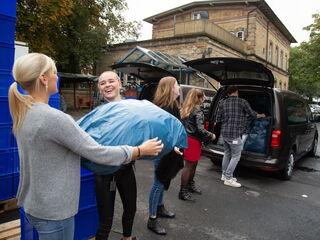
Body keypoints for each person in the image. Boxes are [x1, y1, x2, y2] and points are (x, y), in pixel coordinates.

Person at [8, 53, 163, 240]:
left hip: (34, 204)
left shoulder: (24, 113)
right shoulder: (54, 118)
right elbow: (97, 152)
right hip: (53, 211)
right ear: (43, 78)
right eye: (54, 72)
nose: (57, 77)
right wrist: (139, 150)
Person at [94, 71, 138, 240]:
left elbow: (147, 129)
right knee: (105, 220)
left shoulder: (133, 108)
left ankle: (126, 238)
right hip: (104, 172)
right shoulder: (97, 112)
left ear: (119, 83)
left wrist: (169, 146)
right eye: (103, 83)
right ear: (99, 88)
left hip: (126, 168)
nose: (107, 85)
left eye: (111, 81)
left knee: (131, 209)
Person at [147, 76, 182, 235]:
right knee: (158, 183)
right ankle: (152, 219)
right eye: (176, 84)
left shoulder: (173, 105)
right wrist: (172, 146)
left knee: (163, 180)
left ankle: (160, 208)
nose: (179, 87)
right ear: (170, 87)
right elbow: (160, 133)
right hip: (163, 151)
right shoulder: (164, 107)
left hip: (169, 150)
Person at [215, 86, 265, 188]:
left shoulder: (222, 103)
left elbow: (218, 118)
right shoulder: (242, 102)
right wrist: (261, 115)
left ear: (228, 94)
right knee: (236, 155)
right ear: (236, 92)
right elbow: (252, 114)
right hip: (234, 134)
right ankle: (228, 178)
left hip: (224, 133)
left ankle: (224, 175)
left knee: (227, 153)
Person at [179, 88, 216, 202]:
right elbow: (200, 129)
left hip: (187, 139)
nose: (204, 98)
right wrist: (211, 135)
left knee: (191, 165)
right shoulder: (198, 111)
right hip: (194, 141)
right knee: (189, 166)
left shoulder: (185, 109)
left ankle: (189, 186)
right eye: (202, 97)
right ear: (198, 98)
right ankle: (183, 191)